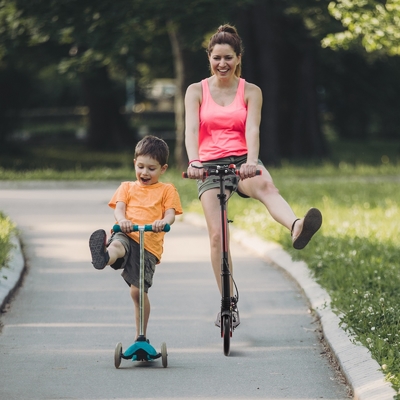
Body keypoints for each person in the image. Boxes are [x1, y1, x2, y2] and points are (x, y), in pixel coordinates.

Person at [184, 24, 322, 328]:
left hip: (241, 160)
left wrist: (250, 161)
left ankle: (297, 226)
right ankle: (226, 302)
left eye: (228, 58)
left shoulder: (251, 91)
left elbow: (253, 129)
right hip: (207, 164)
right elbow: (192, 130)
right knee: (218, 236)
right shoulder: (196, 91)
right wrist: (194, 161)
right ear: (208, 57)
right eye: (217, 58)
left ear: (238, 58)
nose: (223, 64)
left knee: (266, 185)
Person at [89, 135, 183, 339]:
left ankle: (141, 336)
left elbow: (170, 215)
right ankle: (104, 256)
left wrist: (163, 223)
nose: (145, 172)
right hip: (127, 232)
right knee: (118, 245)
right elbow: (119, 210)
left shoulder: (167, 190)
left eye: (151, 168)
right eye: (140, 167)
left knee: (137, 293)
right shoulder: (126, 187)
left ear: (163, 169)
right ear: (135, 164)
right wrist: (122, 220)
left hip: (148, 246)